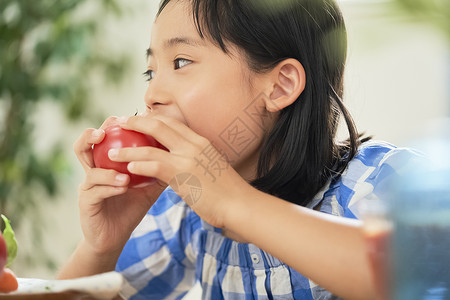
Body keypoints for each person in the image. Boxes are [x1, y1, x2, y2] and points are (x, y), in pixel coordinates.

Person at [58, 0, 421, 299]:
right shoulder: (184, 210)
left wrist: (233, 203)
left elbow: (424, 275)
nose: (151, 96)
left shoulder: (387, 184)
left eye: (181, 62)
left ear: (280, 87)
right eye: (151, 72)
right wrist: (101, 248)